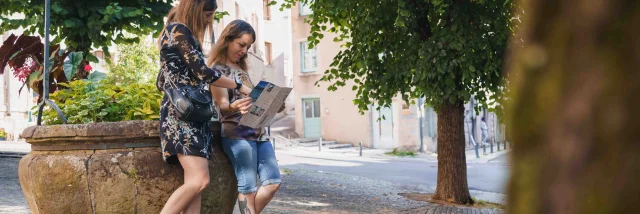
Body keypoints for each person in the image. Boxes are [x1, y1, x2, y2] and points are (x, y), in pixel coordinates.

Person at [155, 1, 253, 213]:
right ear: (194, 9)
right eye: (208, 14)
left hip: (191, 114)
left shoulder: (179, 32)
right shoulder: (179, 30)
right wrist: (239, 86)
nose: (210, 20)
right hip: (182, 115)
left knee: (195, 186)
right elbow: (203, 72)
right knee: (199, 180)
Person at [207, 20, 282, 214]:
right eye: (241, 44)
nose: (244, 50)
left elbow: (253, 101)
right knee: (247, 188)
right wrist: (233, 106)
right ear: (227, 40)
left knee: (273, 181)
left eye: (247, 46)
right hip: (237, 134)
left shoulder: (243, 71)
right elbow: (223, 106)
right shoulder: (217, 70)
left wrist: (273, 104)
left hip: (258, 132)